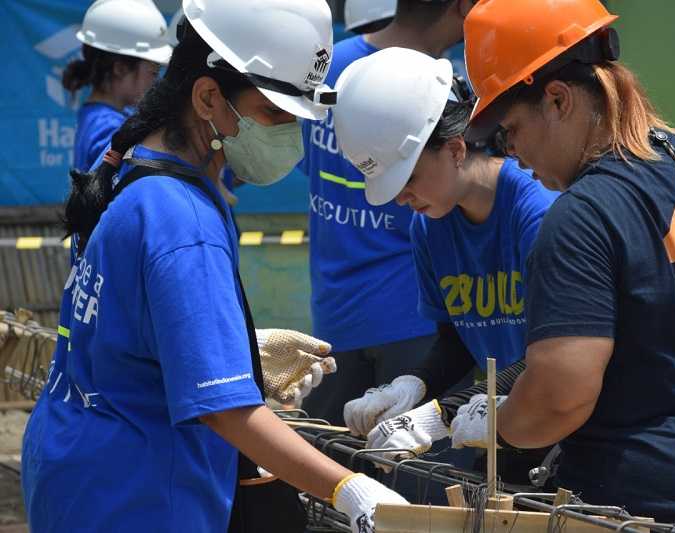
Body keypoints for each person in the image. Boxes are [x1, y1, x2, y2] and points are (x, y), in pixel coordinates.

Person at [373, 0, 675, 530]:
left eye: (510, 131)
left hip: (656, 506)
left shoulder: (580, 218)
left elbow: (559, 397)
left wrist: (497, 423)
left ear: (557, 100)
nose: (514, 154)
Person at [21, 2, 407, 533]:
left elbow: (126, 320)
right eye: (276, 112)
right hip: (139, 494)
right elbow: (227, 412)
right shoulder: (184, 220)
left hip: (76, 467)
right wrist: (349, 487)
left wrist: (231, 341)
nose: (290, 132)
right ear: (208, 98)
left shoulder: (129, 167)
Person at [331, 47, 559, 484]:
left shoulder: (538, 214)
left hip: (562, 432)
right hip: (500, 430)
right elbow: (457, 337)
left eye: (408, 179)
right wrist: (413, 385)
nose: (401, 198)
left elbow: (554, 355)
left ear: (455, 149)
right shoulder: (430, 227)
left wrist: (438, 416)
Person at [301, 0, 476, 429]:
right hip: (416, 319)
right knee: (420, 480)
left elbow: (308, 165)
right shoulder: (436, 90)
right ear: (463, 7)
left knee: (332, 472)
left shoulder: (329, 66)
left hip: (334, 313)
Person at [64, 0, 172, 173]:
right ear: (120, 68)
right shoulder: (109, 128)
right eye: (153, 71)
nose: (155, 81)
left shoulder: (103, 116)